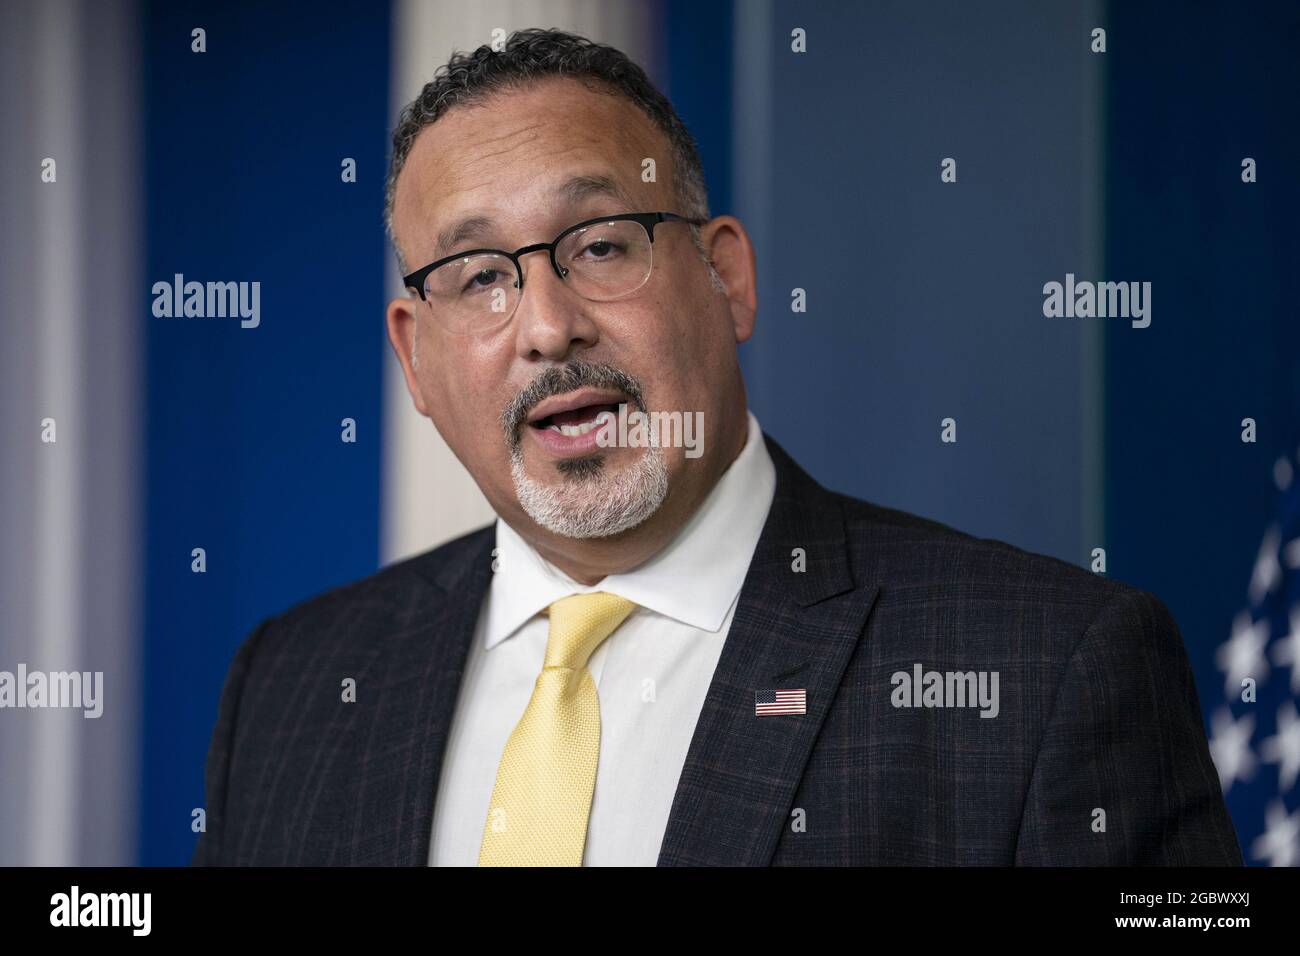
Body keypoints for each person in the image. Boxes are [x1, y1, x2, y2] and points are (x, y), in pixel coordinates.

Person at [192, 27, 1242, 866]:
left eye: (600, 245)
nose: (546, 325)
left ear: (727, 277)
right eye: (478, 276)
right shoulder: (291, 684)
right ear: (415, 361)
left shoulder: (1049, 670)